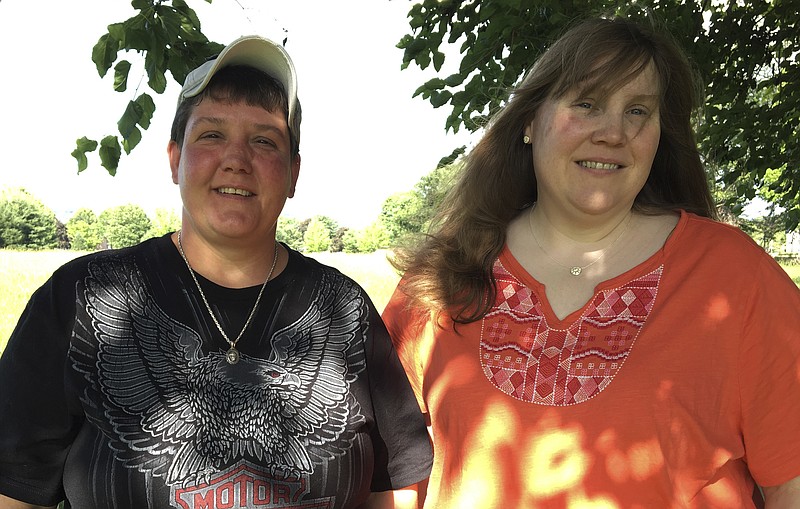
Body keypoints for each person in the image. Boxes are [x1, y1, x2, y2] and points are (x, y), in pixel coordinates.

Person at [382, 17, 800, 509]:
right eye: (587, 104)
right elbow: (394, 480)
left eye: (638, 111)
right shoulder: (441, 281)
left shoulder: (734, 280)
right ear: (530, 123)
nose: (613, 133)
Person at [0, 35, 432, 509]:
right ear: (174, 160)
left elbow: (394, 488)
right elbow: (15, 488)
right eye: (211, 134)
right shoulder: (84, 298)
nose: (236, 159)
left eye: (265, 140)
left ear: (293, 172)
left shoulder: (343, 311)